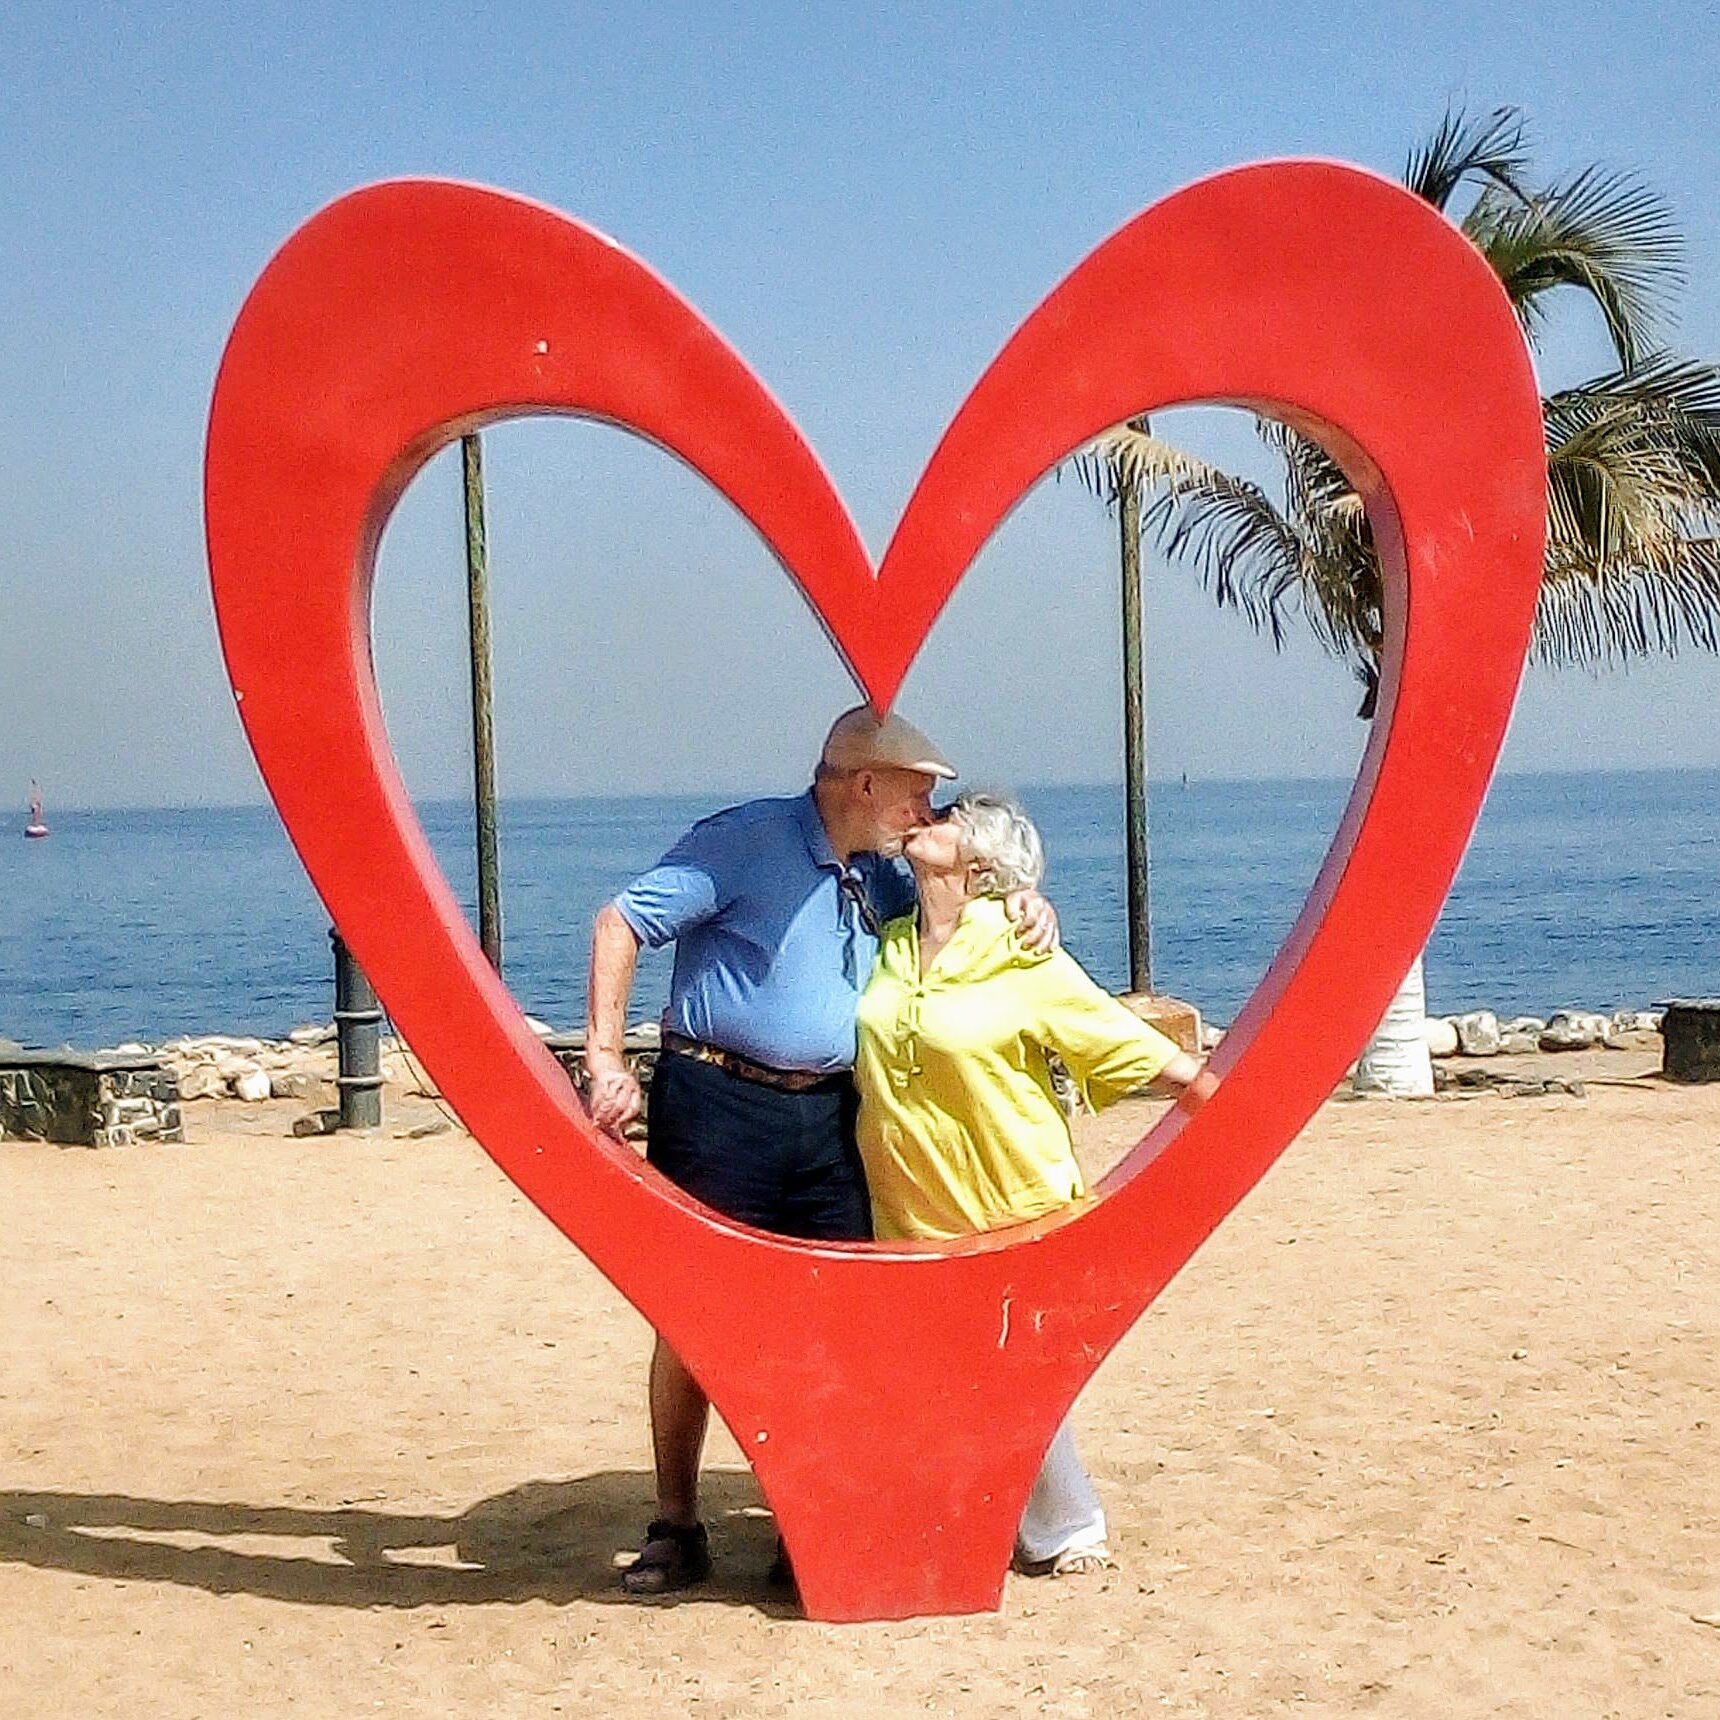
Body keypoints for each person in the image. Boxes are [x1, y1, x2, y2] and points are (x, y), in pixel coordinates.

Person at [584, 710, 1057, 1595]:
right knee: (694, 1320)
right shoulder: (743, 843)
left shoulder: (885, 870)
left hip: (832, 1118)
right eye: (917, 789)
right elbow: (621, 923)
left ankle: (808, 1523)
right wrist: (606, 1060)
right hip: (719, 1104)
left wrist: (1026, 903)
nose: (930, 807)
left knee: (835, 1317)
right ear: (864, 785)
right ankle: (677, 1526)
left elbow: (967, 912)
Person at [853, 791, 1217, 1576]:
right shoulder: (888, 941)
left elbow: (1105, 1032)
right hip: (910, 1203)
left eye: (945, 816)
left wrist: (1211, 1090)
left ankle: (1068, 1528)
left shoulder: (1020, 949)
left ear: (980, 858)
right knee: (945, 1376)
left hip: (1011, 1194)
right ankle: (989, 1520)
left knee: (1019, 1371)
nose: (926, 820)